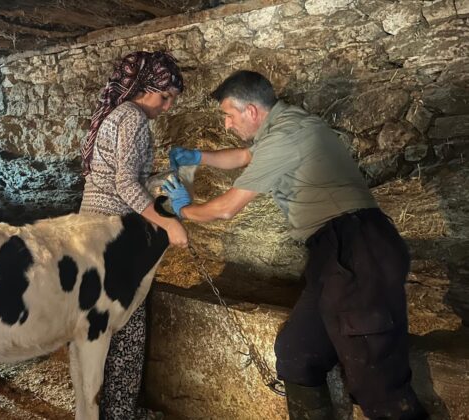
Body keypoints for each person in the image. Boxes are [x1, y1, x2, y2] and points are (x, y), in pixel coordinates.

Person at [163, 70, 427, 419]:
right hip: (331, 251)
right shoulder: (283, 127)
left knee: (376, 380)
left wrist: (183, 209)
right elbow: (243, 157)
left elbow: (226, 209)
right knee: (298, 353)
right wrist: (198, 157)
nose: (226, 125)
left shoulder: (288, 134)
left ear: (251, 111)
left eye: (228, 115)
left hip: (356, 248)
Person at [80, 50, 188, 420]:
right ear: (144, 89)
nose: (168, 106)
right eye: (165, 96)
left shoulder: (116, 115)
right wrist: (166, 222)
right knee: (127, 324)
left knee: (98, 324)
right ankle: (121, 412)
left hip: (91, 229)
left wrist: (159, 181)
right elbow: (125, 184)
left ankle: (100, 408)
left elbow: (119, 178)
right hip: (115, 235)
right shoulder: (134, 118)